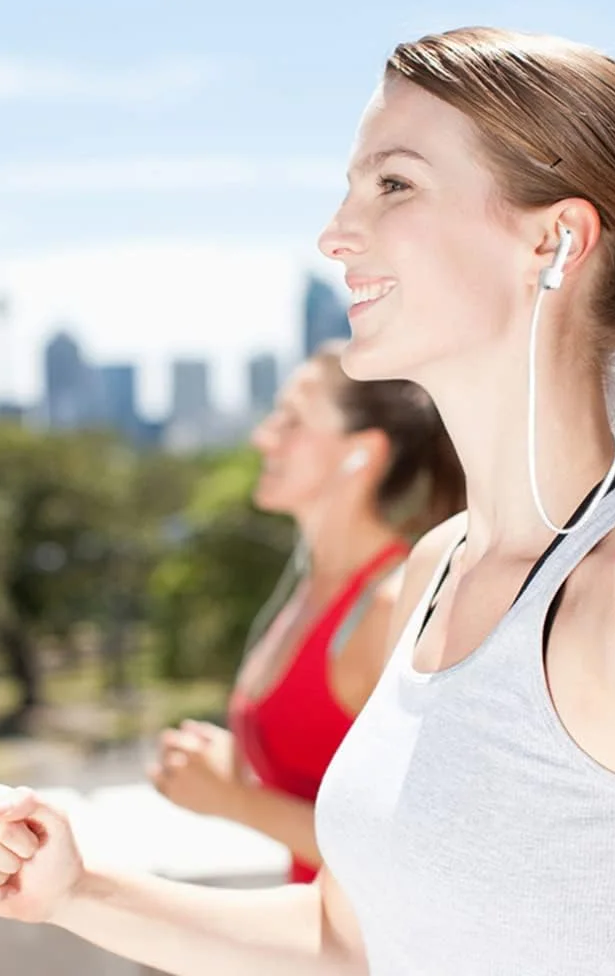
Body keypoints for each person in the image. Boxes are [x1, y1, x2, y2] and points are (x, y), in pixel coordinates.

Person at [0, 27, 615, 976]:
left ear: (555, 239)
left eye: (395, 184)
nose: (336, 232)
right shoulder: (437, 570)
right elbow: (349, 944)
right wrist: (79, 891)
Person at [147, 341, 465, 884]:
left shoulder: (389, 609)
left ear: (361, 451)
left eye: (291, 420)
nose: (262, 436)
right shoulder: (308, 590)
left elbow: (414, 851)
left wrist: (235, 800)